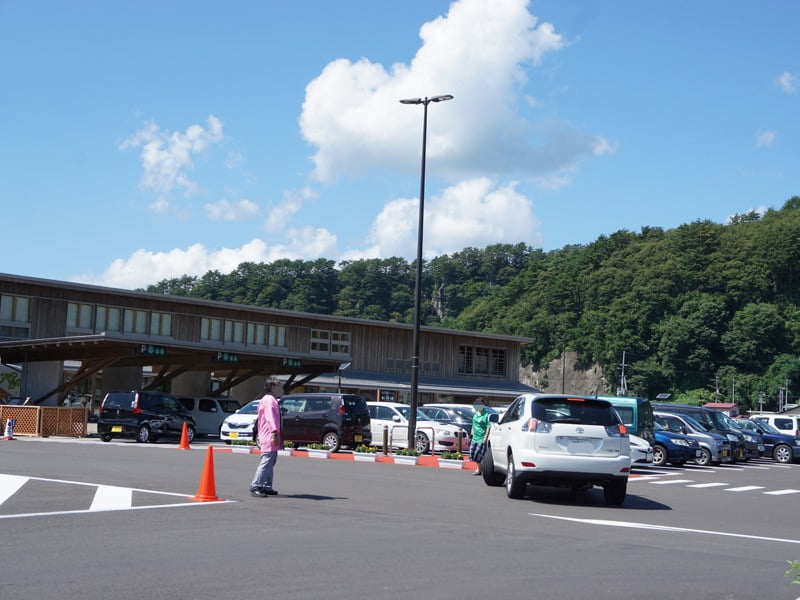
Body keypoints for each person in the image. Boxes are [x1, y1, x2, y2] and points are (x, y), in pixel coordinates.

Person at [249, 377, 284, 498]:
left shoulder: (268, 399)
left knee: (271, 461)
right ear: (273, 387)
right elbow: (270, 418)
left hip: (267, 434)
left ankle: (266, 485)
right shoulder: (270, 401)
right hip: (269, 434)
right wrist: (274, 433)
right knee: (267, 461)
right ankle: (256, 485)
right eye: (279, 386)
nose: (282, 389)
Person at [470, 398, 491, 476]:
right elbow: (473, 423)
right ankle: (480, 467)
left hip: (481, 436)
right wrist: (472, 431)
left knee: (478, 453)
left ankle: (479, 469)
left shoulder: (486, 414)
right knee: (472, 453)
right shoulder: (476, 413)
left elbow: (488, 426)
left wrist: (486, 436)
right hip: (474, 436)